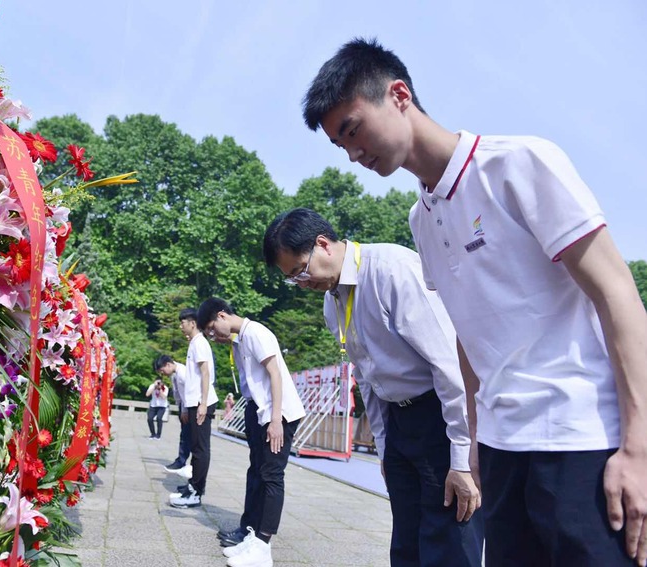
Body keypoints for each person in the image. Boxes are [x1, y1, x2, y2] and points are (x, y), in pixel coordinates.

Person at [301, 38, 647, 567]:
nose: (352, 153)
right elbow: (465, 334)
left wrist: (638, 447)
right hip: (504, 451)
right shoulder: (422, 218)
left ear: (399, 95)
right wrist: (476, 443)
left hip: (580, 439)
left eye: (352, 129)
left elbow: (617, 293)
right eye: (339, 145)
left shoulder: (519, 164)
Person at [263, 208, 483, 567]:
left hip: (440, 418)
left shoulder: (391, 269)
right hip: (398, 423)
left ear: (323, 245)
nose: (301, 282)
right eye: (292, 279)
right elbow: (365, 377)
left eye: (300, 270)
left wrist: (462, 458)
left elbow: (449, 368)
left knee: (449, 541)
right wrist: (385, 447)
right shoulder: (332, 304)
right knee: (406, 544)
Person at [197, 297, 306, 567]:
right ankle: (252, 535)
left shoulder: (256, 333)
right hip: (260, 411)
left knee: (271, 476)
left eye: (212, 329)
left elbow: (276, 375)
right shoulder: (240, 339)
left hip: (277, 413)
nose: (212, 336)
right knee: (257, 472)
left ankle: (263, 546)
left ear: (222, 316)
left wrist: (276, 419)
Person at [169, 308, 218, 509]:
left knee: (200, 449)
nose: (181, 326)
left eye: (183, 322)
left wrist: (203, 404)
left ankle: (196, 492)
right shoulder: (194, 343)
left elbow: (206, 374)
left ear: (192, 322)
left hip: (200, 402)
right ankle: (193, 486)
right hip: (194, 402)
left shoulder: (199, 343)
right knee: (196, 447)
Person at [154, 354, 192, 477]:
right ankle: (181, 460)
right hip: (182, 405)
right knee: (184, 435)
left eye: (162, 370)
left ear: (168, 365)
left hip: (189, 406)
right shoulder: (174, 374)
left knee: (188, 436)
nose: (162, 374)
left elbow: (188, 393)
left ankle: (184, 462)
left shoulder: (183, 373)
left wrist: (185, 410)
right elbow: (177, 393)